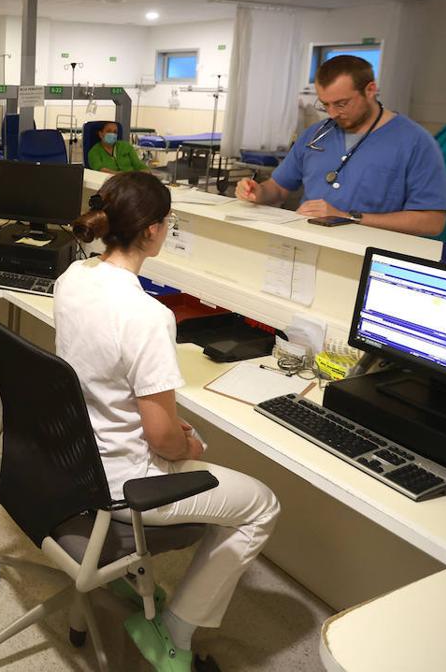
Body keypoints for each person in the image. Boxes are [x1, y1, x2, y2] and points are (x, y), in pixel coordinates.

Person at [54, 172, 280, 672]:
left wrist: (174, 438)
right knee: (262, 504)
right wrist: (190, 447)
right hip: (127, 482)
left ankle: (128, 579)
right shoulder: (147, 315)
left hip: (77, 462)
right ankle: (174, 631)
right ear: (155, 230)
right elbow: (162, 437)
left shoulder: (72, 279)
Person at [236, 55, 446, 237]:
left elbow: (432, 222)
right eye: (325, 104)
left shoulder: (415, 142)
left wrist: (349, 217)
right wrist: (259, 192)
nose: (333, 113)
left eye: (341, 103)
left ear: (370, 90)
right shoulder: (316, 134)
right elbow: (280, 188)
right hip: (307, 244)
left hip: (369, 256)